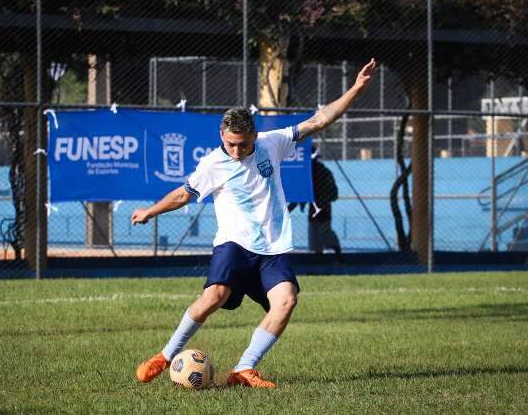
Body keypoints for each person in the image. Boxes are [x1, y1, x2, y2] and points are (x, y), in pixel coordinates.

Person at [131, 58, 376, 388]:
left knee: (287, 301)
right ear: (221, 135)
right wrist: (150, 211)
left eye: (243, 144)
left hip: (273, 248)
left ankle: (244, 369)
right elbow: (183, 195)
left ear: (255, 136)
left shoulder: (272, 142)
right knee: (215, 295)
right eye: (230, 143)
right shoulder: (213, 163)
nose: (235, 150)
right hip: (234, 243)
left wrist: (356, 89)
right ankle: (164, 356)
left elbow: (320, 120)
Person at [289, 146, 342, 258]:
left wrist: (292, 206)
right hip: (316, 207)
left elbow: (333, 193)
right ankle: (320, 257)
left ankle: (338, 256)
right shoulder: (310, 172)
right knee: (315, 233)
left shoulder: (321, 172)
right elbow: (302, 192)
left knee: (324, 231)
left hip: (322, 206)